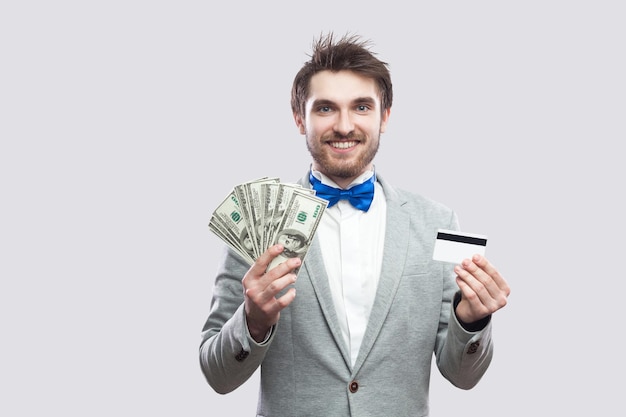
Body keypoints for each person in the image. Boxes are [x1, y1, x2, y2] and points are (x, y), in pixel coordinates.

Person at [199, 32, 511, 416]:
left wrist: (472, 318)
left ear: (386, 116)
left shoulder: (438, 222)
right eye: (325, 108)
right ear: (300, 118)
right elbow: (216, 374)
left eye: (361, 107)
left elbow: (462, 376)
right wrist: (254, 322)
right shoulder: (257, 225)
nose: (345, 126)